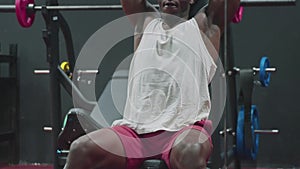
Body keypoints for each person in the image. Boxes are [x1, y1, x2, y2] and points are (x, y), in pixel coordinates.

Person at [63, 0, 240, 169]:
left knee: (191, 153)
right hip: (135, 132)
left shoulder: (205, 26)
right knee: (80, 149)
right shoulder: (145, 22)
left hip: (183, 130)